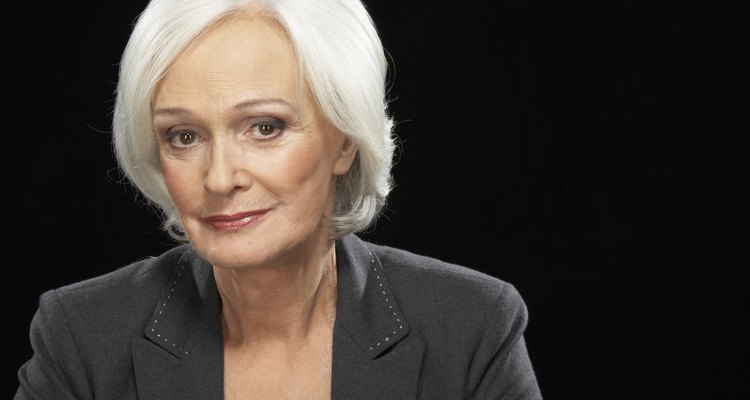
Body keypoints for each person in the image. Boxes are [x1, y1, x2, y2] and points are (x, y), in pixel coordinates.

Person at [14, 0, 542, 398]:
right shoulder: (80, 335)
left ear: (345, 140)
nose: (219, 178)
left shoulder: (471, 325)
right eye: (183, 136)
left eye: (264, 127)